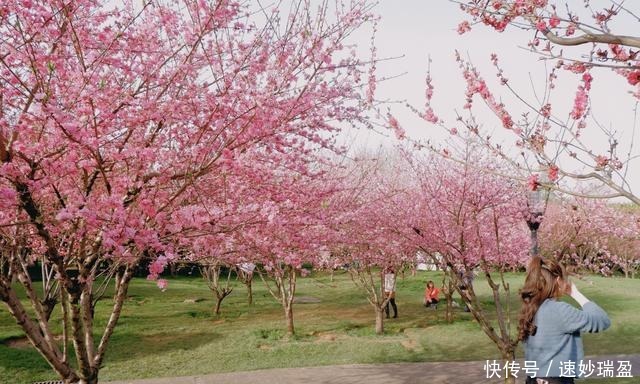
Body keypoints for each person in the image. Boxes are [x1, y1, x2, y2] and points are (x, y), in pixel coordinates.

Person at [518, 257, 610, 384]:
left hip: (533, 379)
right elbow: (602, 320)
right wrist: (575, 293)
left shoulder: (530, 308)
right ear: (557, 280)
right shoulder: (559, 310)